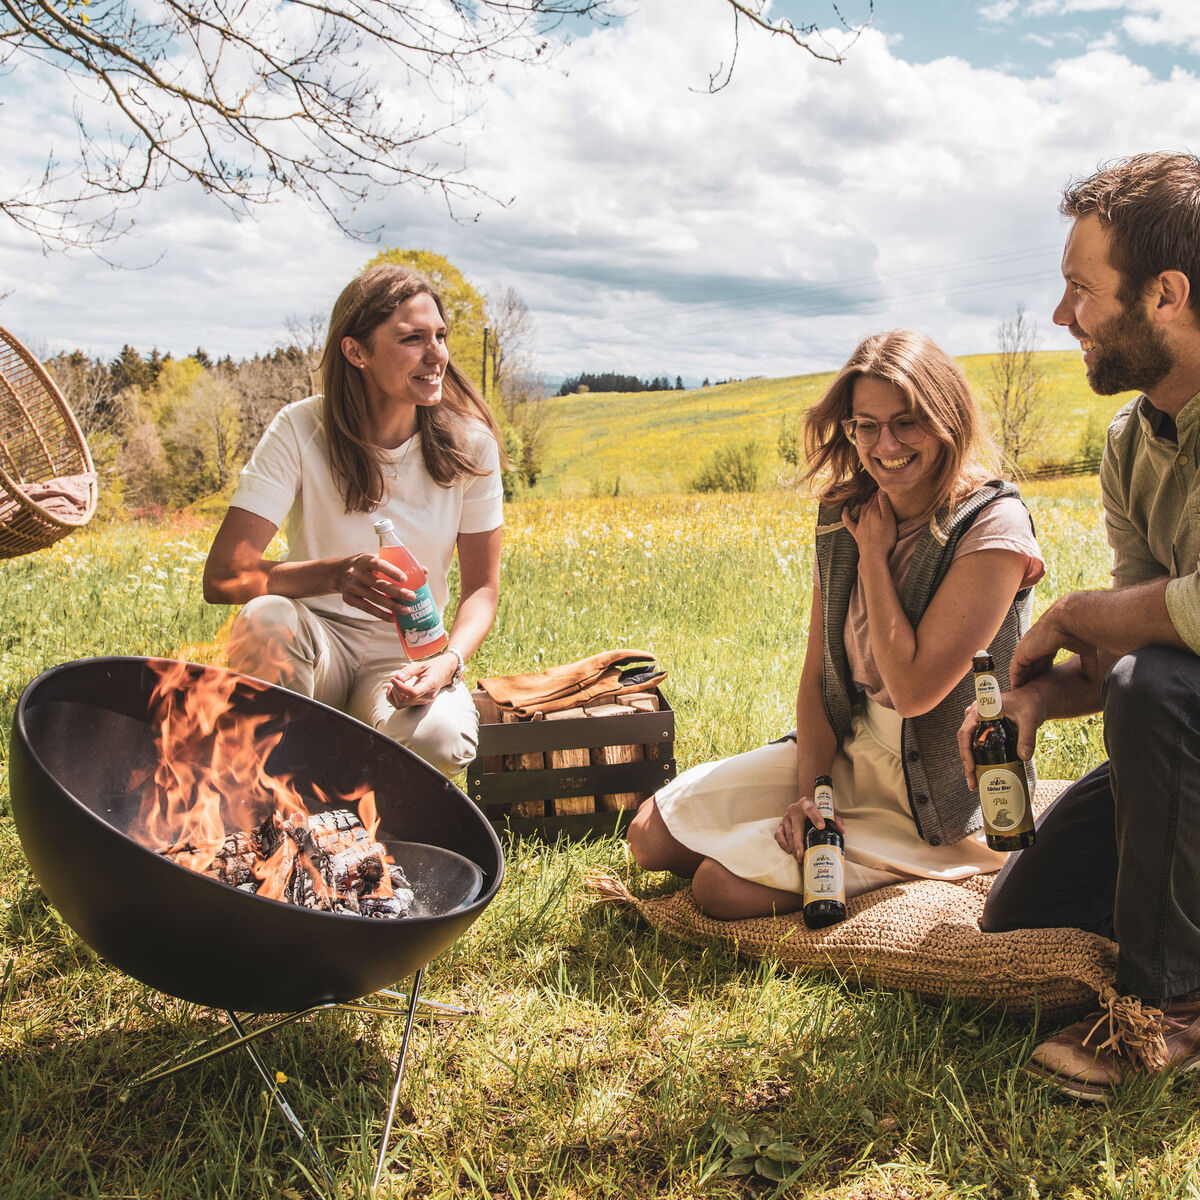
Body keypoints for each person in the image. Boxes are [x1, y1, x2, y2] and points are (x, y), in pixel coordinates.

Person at [628, 329, 1044, 919]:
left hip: (937, 791)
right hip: (855, 748)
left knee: (716, 888)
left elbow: (913, 690)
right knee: (649, 836)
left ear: (945, 419)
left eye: (906, 423)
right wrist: (812, 798)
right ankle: (796, 840)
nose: (885, 445)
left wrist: (873, 555)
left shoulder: (992, 525)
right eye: (865, 425)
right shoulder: (844, 511)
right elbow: (819, 674)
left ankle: (900, 865)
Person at [958, 152, 1200, 1100]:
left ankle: (1169, 1009)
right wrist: (1040, 700)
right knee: (1022, 917)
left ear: (1167, 295)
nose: (1063, 316)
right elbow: (1150, 636)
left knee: (1154, 685)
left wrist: (1068, 612)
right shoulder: (1131, 442)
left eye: (1082, 289)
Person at [203, 265, 504, 777]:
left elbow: (482, 589)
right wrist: (334, 575)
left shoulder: (470, 443)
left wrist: (447, 663)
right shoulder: (300, 428)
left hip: (409, 655)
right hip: (313, 643)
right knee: (264, 620)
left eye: (440, 336)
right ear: (356, 352)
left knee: (440, 740)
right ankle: (283, 786)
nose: (437, 355)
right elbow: (224, 575)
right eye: (412, 339)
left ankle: (335, 761)